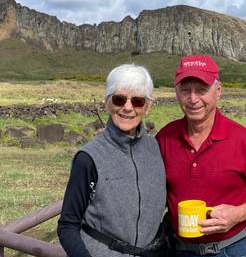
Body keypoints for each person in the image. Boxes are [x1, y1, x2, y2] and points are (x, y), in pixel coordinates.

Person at [156, 55, 246, 257]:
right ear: (176, 92)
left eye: (201, 90)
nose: (193, 99)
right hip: (179, 249)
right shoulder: (165, 137)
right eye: (185, 90)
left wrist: (237, 214)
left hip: (234, 249)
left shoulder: (244, 140)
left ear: (219, 91)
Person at [58, 64, 167, 257]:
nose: (127, 108)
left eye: (138, 101)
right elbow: (67, 225)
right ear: (107, 102)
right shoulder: (88, 158)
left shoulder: (156, 149)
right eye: (119, 99)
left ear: (148, 106)